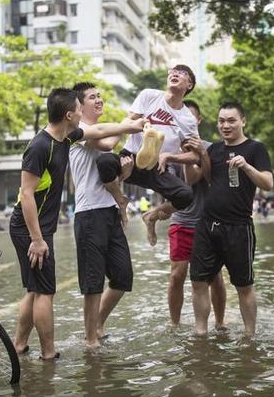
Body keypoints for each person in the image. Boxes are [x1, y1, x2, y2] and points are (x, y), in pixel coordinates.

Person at [10, 88, 145, 360]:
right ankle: (48, 354)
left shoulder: (66, 137)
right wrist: (37, 239)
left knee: (35, 288)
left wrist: (131, 124)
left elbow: (100, 130)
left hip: (40, 226)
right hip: (30, 227)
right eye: (80, 109)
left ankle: (19, 345)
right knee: (45, 292)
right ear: (69, 114)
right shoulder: (40, 146)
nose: (84, 113)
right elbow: (26, 194)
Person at [189, 102, 273, 337]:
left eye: (231, 120)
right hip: (207, 225)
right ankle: (200, 333)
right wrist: (194, 155)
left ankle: (249, 336)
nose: (225, 125)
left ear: (243, 121)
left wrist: (246, 166)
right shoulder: (213, 150)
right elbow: (194, 179)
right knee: (198, 281)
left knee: (243, 285)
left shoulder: (256, 149)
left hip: (238, 227)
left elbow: (267, 183)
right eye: (221, 121)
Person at [96, 64, 199, 246]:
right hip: (131, 158)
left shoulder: (187, 119)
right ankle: (121, 200)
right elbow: (127, 121)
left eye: (181, 73)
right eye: (172, 71)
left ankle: (151, 216)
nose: (174, 74)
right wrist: (130, 128)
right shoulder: (149, 95)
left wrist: (169, 157)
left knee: (186, 195)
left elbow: (194, 156)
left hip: (157, 167)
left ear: (189, 84)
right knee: (104, 160)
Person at [69, 82, 134, 347]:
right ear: (79, 106)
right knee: (93, 281)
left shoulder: (98, 131)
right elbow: (106, 143)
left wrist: (125, 174)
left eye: (99, 95)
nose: (99, 99)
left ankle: (97, 324)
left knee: (122, 277)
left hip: (109, 212)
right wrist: (129, 123)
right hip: (88, 215)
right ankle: (90, 340)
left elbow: (110, 175)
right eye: (92, 97)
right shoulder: (78, 131)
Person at [164, 100, 226, 328]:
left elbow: (208, 179)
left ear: (197, 121)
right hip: (182, 221)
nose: (183, 123)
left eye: (188, 118)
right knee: (176, 274)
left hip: (209, 222)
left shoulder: (211, 148)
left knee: (215, 276)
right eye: (178, 119)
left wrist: (201, 153)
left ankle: (220, 323)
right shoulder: (167, 152)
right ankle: (175, 324)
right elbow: (183, 183)